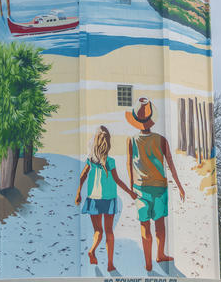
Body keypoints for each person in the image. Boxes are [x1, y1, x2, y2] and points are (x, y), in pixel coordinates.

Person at [126, 97, 186, 271]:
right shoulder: (161, 139)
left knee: (145, 226)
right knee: (160, 226)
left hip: (140, 188)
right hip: (159, 188)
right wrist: (180, 186)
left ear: (137, 120)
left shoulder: (131, 141)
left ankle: (148, 261)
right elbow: (171, 165)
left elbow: (129, 165)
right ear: (152, 119)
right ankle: (159, 254)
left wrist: (131, 186)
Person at [75, 125, 137, 271]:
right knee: (109, 231)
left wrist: (78, 192)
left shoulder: (91, 159)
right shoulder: (111, 162)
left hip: (93, 199)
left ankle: (92, 250)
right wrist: (130, 192)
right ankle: (110, 264)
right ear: (108, 143)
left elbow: (83, 175)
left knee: (98, 231)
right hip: (109, 199)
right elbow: (117, 181)